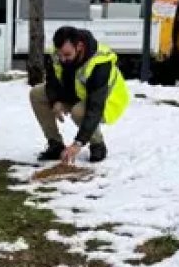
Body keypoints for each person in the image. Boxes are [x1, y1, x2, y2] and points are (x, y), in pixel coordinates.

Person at [29, 25, 131, 164]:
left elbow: (95, 106)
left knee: (78, 112)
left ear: (80, 46)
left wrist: (78, 143)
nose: (62, 59)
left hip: (106, 100)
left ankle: (98, 145)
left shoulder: (100, 62)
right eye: (60, 54)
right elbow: (52, 81)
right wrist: (55, 101)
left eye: (67, 55)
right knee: (36, 94)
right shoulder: (58, 52)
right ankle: (55, 145)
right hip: (75, 93)